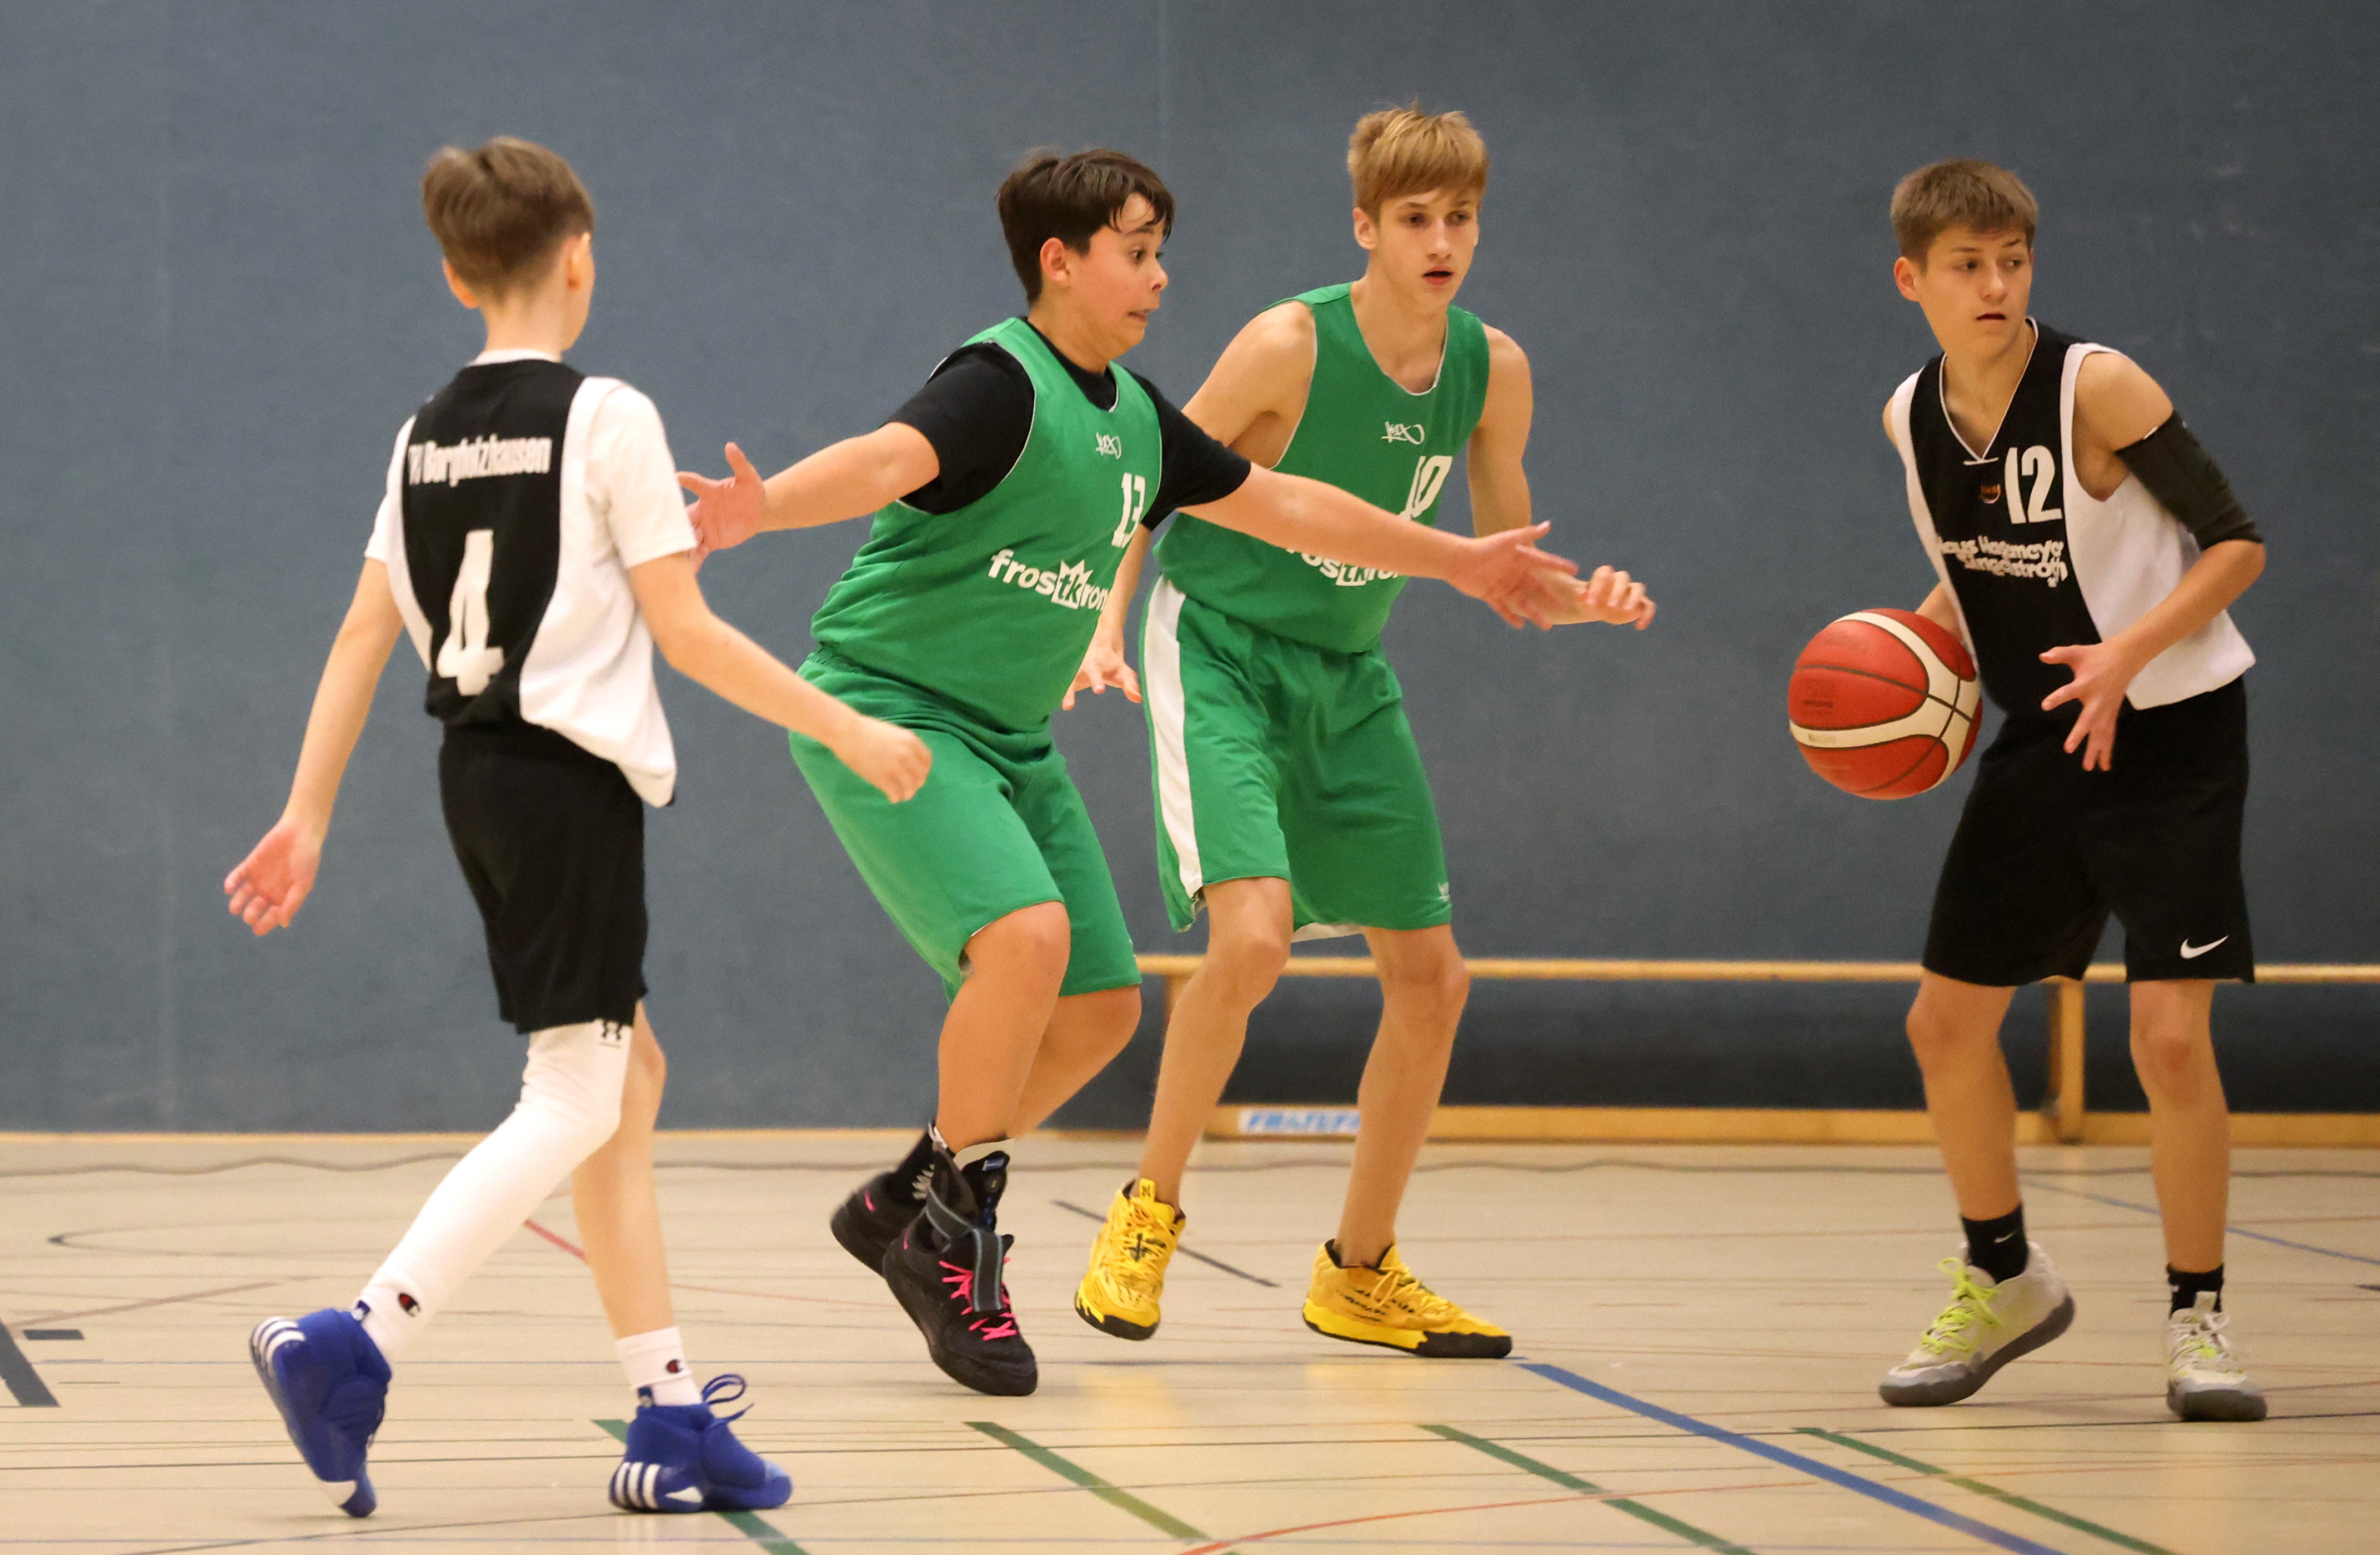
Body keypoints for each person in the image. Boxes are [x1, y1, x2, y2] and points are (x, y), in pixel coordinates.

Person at [679, 147, 1579, 1398]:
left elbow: (1291, 505)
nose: (1160, 277)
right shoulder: (999, 384)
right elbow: (883, 460)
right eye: (1137, 254)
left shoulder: (1141, 417)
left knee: (1101, 1009)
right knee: (1025, 940)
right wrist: (759, 506)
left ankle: (914, 1190)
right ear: (1062, 262)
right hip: (889, 708)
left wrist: (1460, 560)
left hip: (1009, 737)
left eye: (1162, 253)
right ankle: (954, 1240)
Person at [227, 138, 930, 1518]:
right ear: (580, 259)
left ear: (454, 275)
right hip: (565, 784)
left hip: (477, 780)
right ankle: (355, 1341)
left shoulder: (423, 432)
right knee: (575, 1092)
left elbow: (363, 632)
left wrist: (307, 812)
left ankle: (669, 1413)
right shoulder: (607, 416)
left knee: (626, 1081)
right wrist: (845, 726)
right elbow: (689, 631)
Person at [1063, 106, 1654, 1358]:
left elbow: (1504, 565)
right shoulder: (1288, 343)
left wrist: (1584, 598)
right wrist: (1104, 625)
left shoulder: (1494, 370)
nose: (1441, 242)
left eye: (1460, 219)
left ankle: (1361, 1271)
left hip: (1346, 669)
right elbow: (1146, 478)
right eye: (1415, 219)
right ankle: (1147, 1211)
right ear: (1364, 228)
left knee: (1434, 980)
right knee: (1254, 939)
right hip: (1218, 644)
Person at [1872, 159, 2267, 1421]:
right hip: (2048, 736)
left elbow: (2238, 544)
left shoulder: (2096, 385)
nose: (1994, 284)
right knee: (1942, 1025)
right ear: (1912, 280)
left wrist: (2126, 653)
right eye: (1966, 265)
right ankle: (2004, 1280)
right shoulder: (1909, 415)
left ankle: (2197, 1318)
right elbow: (1968, 569)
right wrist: (1897, 667)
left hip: (2172, 735)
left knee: (2166, 1039)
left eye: (2012, 260)